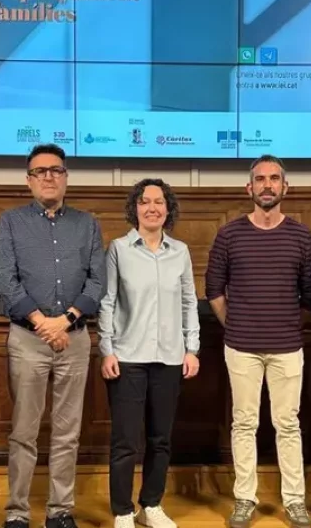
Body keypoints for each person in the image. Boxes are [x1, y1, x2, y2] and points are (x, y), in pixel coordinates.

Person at [0, 143, 106, 528]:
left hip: (74, 338)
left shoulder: (87, 224)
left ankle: (60, 511)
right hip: (28, 338)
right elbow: (6, 279)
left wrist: (67, 319)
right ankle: (18, 513)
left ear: (66, 178)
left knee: (67, 432)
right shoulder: (10, 222)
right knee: (24, 431)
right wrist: (44, 322)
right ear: (28, 181)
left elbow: (97, 280)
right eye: (40, 171)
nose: (48, 177)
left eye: (56, 170)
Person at [205, 154, 311, 528]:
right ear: (248, 187)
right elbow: (214, 290)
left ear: (285, 187)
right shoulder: (229, 234)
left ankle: (295, 500)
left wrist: (283, 324)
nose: (267, 185)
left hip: (288, 347)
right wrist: (237, 326)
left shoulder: (301, 236)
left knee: (288, 424)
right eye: (260, 179)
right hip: (240, 347)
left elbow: (309, 295)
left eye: (274, 179)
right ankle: (244, 499)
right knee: (244, 424)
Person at [99, 178, 201, 528]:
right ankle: (123, 510)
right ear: (135, 208)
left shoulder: (181, 251)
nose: (152, 207)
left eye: (159, 201)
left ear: (168, 209)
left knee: (161, 439)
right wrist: (106, 350)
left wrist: (192, 348)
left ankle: (151, 504)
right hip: (127, 357)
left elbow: (189, 302)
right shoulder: (118, 249)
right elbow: (108, 302)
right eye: (145, 201)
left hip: (171, 359)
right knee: (126, 440)